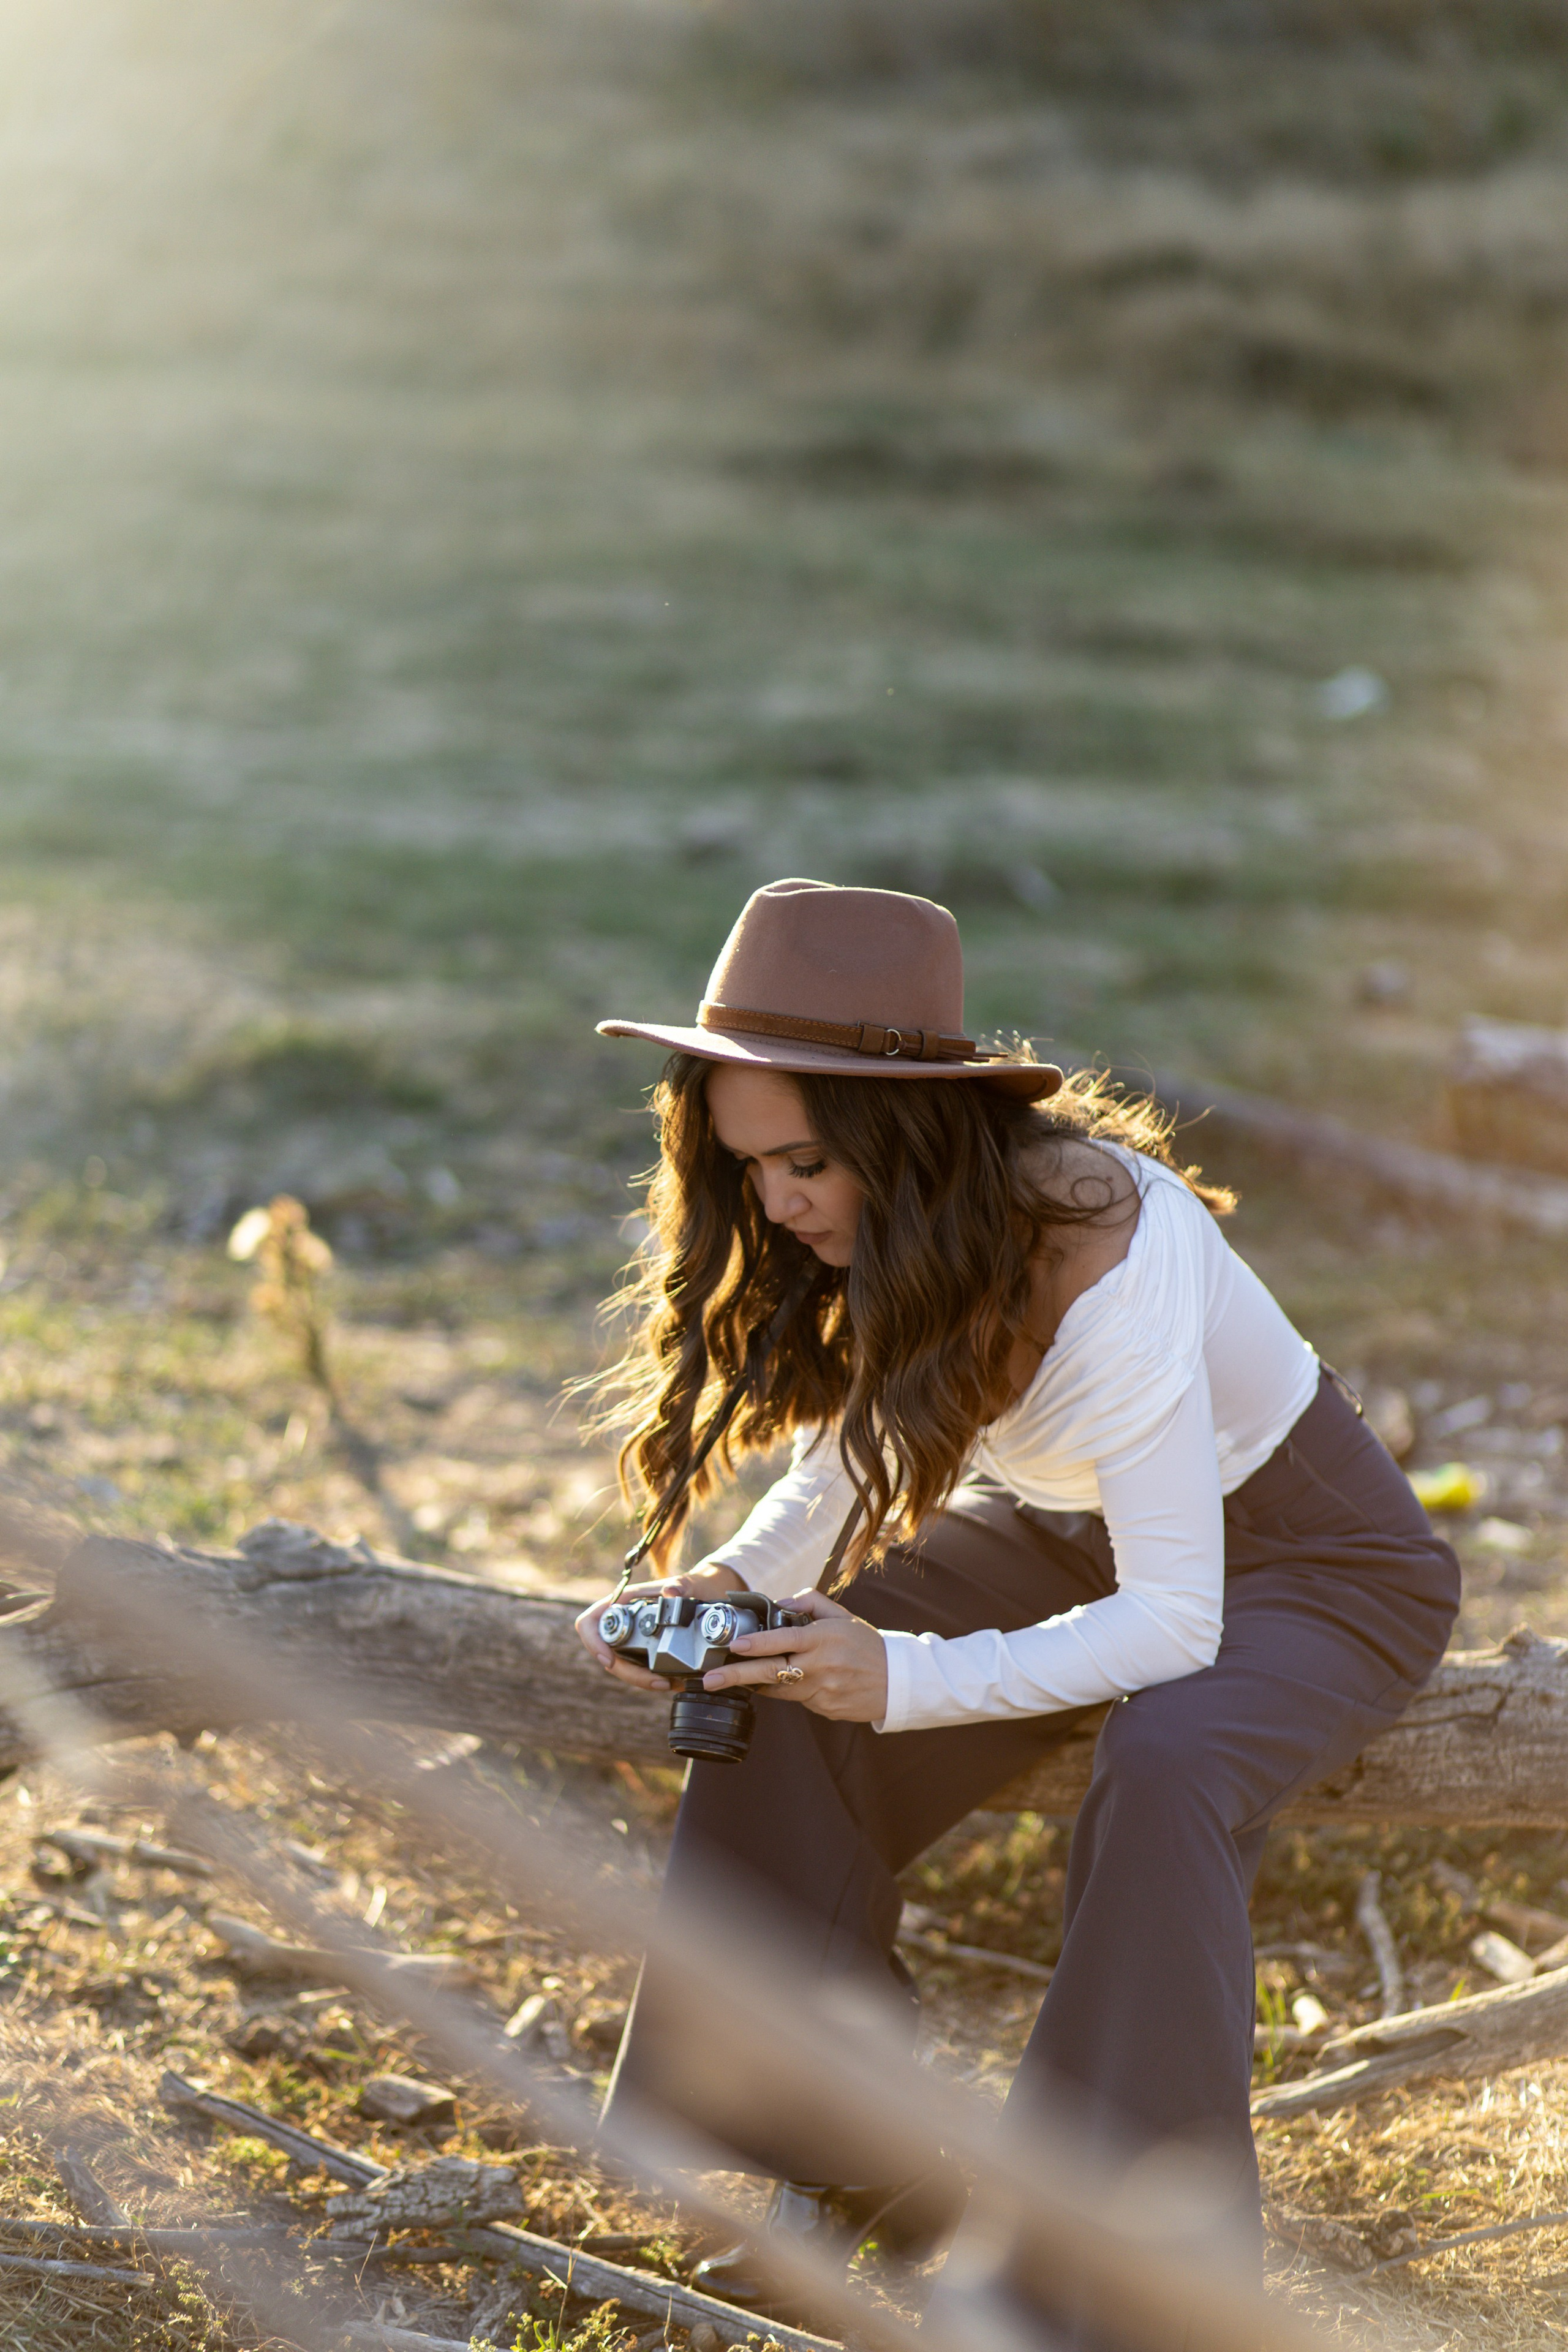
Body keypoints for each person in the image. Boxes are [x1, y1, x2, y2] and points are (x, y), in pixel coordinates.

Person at [575, 876, 1459, 2329]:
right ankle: (859, 2161)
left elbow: (1176, 1624)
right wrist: (727, 1588)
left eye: (801, 1164)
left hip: (1309, 1566)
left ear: (904, 1138)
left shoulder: (1110, 1254)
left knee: (1166, 1762)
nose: (777, 1203)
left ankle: (1106, 2275)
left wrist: (907, 1681)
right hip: (1073, 1537)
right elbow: (856, 1459)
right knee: (773, 1680)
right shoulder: (903, 1231)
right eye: (747, 1173)